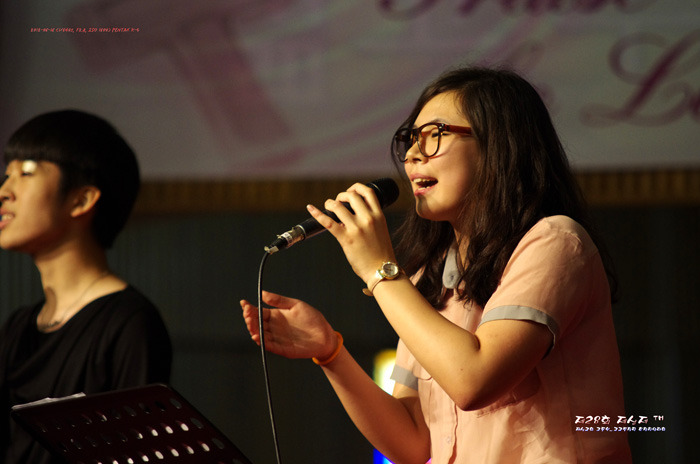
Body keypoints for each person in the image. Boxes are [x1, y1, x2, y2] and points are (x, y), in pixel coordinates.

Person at [240, 66, 632, 463]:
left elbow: (473, 380)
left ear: (499, 146)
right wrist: (330, 352)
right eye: (411, 138)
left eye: (436, 134)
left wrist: (379, 269)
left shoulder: (555, 242)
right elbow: (413, 445)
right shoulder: (430, 278)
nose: (412, 154)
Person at [0, 110, 172, 464]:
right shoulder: (18, 327)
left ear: (81, 199)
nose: (4, 191)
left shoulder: (129, 323)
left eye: (26, 173)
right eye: (7, 174)